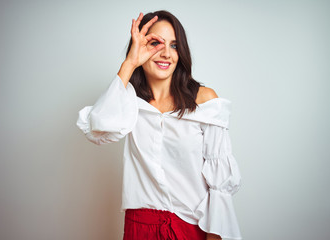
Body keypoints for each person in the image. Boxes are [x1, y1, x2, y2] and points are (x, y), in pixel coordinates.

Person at [76, 10, 242, 240]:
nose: (166, 53)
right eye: (155, 43)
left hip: (190, 228)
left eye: (174, 46)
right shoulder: (128, 102)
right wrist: (130, 63)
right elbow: (97, 129)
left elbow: (220, 186)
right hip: (139, 228)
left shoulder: (204, 101)